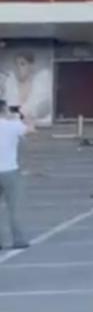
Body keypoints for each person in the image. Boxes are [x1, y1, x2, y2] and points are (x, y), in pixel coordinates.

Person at [0, 102, 34, 250]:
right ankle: (18, 239)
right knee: (14, 208)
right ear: (4, 110)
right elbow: (31, 129)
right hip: (10, 171)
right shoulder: (12, 125)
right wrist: (24, 114)